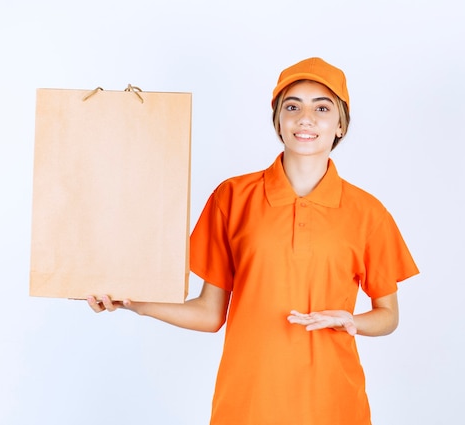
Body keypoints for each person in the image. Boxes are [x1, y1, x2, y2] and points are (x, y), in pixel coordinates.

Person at [88, 57, 419, 425]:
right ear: (278, 120)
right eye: (292, 106)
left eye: (321, 108)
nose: (305, 118)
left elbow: (388, 315)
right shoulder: (232, 198)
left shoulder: (368, 213)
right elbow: (210, 313)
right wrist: (134, 303)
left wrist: (351, 320)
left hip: (334, 404)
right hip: (247, 405)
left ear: (340, 124)